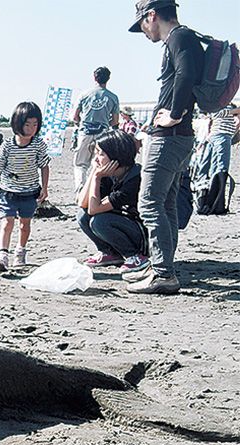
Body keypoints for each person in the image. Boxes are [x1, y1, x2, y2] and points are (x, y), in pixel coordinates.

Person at [127, 0, 205, 296]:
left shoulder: (180, 37)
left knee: (149, 203)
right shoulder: (183, 38)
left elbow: (185, 75)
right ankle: (162, 265)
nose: (144, 32)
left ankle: (163, 273)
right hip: (179, 137)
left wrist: (173, 114)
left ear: (152, 15)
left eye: (142, 25)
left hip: (170, 136)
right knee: (166, 202)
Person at [0, 101, 50, 271]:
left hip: (29, 192)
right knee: (7, 223)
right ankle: (2, 255)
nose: (31, 129)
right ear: (17, 124)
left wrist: (45, 187)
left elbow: (44, 166)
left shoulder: (38, 144)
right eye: (27, 124)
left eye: (35, 124)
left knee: (25, 224)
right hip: (8, 191)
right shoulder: (7, 145)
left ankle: (20, 251)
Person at [77, 129, 148, 272]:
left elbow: (94, 209)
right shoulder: (109, 174)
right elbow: (82, 203)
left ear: (117, 156)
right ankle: (109, 252)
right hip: (123, 222)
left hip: (141, 233)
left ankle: (134, 256)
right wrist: (93, 174)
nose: (96, 158)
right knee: (82, 215)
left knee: (99, 221)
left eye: (101, 154)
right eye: (96, 153)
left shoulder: (135, 179)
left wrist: (97, 177)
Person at [71, 67, 122, 192]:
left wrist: (80, 123)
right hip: (102, 133)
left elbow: (75, 116)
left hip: (86, 131)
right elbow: (115, 120)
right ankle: (95, 189)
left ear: (94, 78)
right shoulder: (113, 97)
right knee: (98, 162)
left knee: (81, 164)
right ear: (108, 79)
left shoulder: (85, 94)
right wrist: (105, 122)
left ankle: (80, 188)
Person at [205, 104, 238, 183]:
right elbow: (216, 114)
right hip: (222, 135)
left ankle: (213, 187)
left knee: (215, 163)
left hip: (217, 135)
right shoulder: (224, 106)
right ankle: (217, 189)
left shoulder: (217, 103)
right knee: (222, 166)